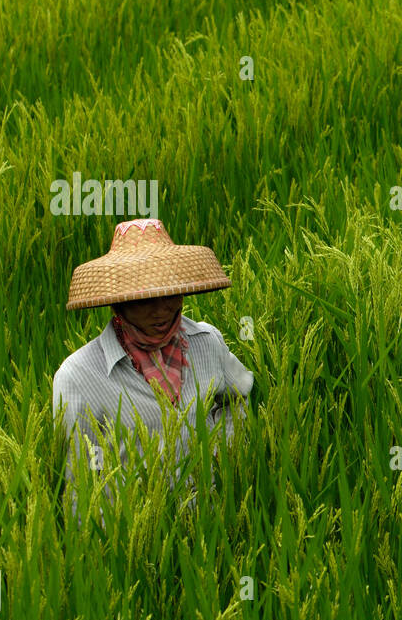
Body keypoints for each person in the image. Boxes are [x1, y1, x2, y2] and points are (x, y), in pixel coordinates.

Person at [53, 218, 254, 518]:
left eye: (169, 292)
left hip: (215, 528)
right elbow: (78, 479)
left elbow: (239, 396)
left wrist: (226, 449)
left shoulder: (207, 342)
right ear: (117, 303)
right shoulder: (79, 376)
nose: (160, 309)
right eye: (144, 298)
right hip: (133, 540)